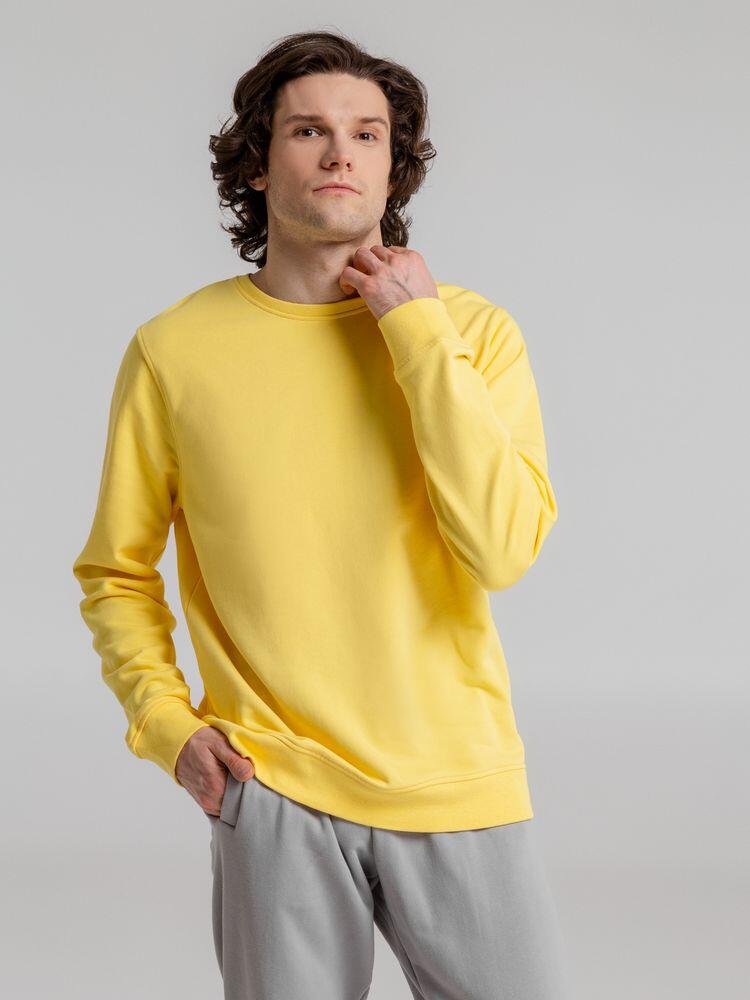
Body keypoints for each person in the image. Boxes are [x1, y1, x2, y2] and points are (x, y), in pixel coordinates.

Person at [72, 29, 572, 1000]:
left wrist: (414, 330)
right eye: (308, 130)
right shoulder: (176, 349)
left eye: (367, 134)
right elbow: (116, 571)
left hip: (456, 775)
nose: (340, 152)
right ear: (259, 164)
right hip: (274, 786)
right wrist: (166, 725)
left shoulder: (470, 333)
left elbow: (502, 547)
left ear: (393, 167)